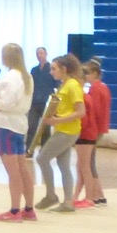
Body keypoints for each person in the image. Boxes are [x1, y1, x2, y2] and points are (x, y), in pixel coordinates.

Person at [0, 43, 37, 222]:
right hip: (19, 124)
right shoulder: (28, 76)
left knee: (13, 171)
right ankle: (29, 208)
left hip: (6, 124)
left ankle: (14, 210)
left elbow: (7, 102)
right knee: (21, 167)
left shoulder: (11, 77)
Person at [35, 55, 85, 213]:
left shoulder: (72, 86)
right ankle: (68, 202)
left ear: (64, 70)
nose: (51, 72)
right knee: (63, 165)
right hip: (64, 129)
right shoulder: (64, 85)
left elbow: (80, 112)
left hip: (67, 130)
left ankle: (51, 195)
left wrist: (58, 120)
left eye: (54, 69)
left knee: (42, 158)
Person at [75, 59, 110, 208]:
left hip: (94, 129)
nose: (86, 77)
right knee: (90, 163)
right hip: (100, 128)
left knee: (88, 164)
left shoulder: (95, 89)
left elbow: (94, 111)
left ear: (95, 74)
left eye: (88, 73)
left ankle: (96, 195)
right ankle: (99, 194)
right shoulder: (104, 87)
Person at [26, 47, 55, 148]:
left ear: (46, 54)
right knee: (31, 126)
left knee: (46, 128)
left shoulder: (52, 69)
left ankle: (44, 150)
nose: (39, 55)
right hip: (35, 102)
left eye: (41, 53)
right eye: (37, 53)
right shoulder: (34, 70)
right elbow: (30, 85)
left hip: (47, 102)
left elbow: (57, 84)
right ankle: (28, 149)